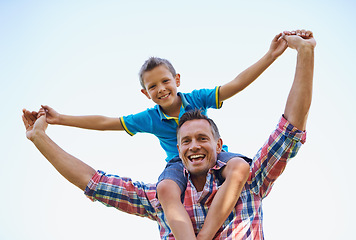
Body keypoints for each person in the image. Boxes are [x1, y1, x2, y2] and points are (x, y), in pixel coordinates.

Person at [23, 29, 316, 239]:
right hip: (173, 171)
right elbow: (96, 174)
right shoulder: (152, 133)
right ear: (146, 93)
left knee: (239, 165)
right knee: (165, 190)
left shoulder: (247, 179)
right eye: (185, 140)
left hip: (229, 168)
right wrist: (53, 126)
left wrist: (288, 54)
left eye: (202, 138)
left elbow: (282, 123)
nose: (161, 89)